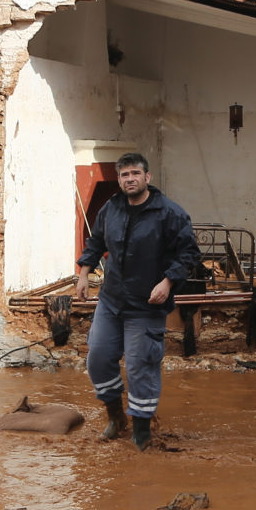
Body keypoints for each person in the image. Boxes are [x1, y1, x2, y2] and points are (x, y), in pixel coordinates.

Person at [75, 153, 201, 449]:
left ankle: (142, 431)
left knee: (140, 364)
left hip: (146, 304)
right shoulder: (111, 209)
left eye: (134, 173)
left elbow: (189, 254)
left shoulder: (169, 213)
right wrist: (84, 273)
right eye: (123, 175)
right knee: (98, 358)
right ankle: (116, 418)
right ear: (118, 180)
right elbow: (96, 242)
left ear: (148, 177)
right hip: (112, 300)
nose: (129, 179)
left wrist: (168, 281)